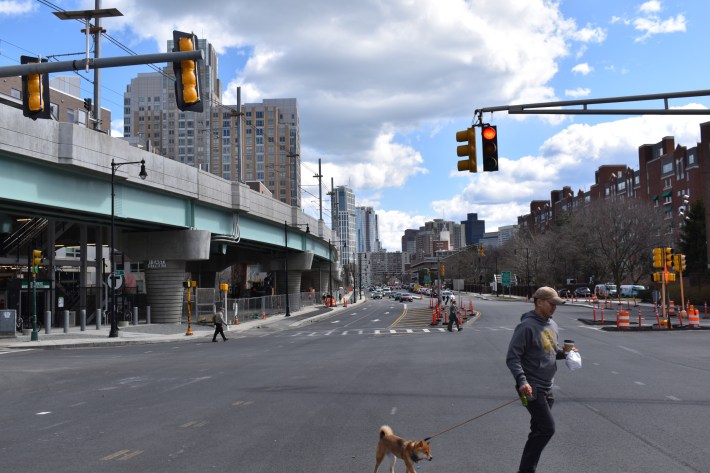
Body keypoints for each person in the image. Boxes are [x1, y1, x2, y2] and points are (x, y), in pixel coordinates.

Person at [506, 286, 577, 473]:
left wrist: (566, 354)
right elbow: (513, 357)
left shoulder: (552, 325)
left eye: (556, 304)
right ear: (539, 302)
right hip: (532, 387)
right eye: (551, 304)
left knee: (538, 431)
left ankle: (527, 469)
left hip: (548, 387)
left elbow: (550, 351)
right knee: (547, 429)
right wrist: (522, 382)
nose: (554, 308)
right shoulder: (526, 326)